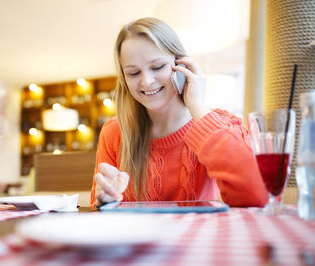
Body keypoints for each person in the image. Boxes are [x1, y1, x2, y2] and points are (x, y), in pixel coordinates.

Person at [90, 17, 268, 208]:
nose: (146, 81)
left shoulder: (221, 124)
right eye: (133, 73)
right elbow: (98, 206)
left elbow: (257, 196)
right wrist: (105, 201)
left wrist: (197, 105)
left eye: (157, 67)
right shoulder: (114, 132)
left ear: (182, 66)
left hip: (198, 237)